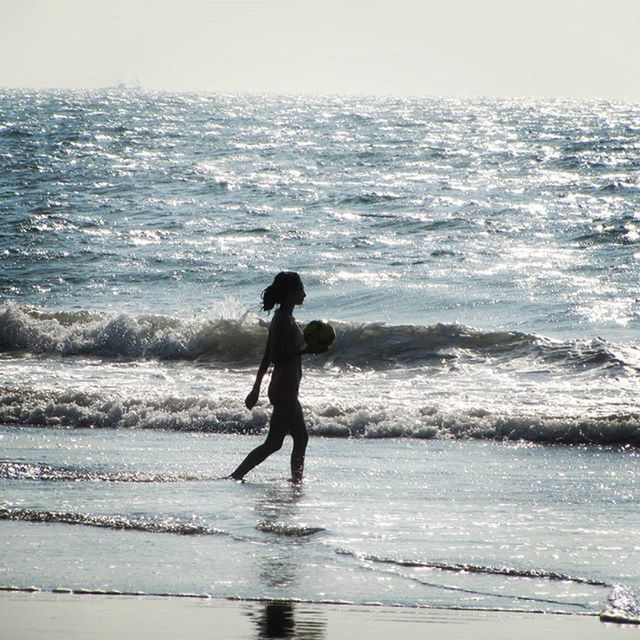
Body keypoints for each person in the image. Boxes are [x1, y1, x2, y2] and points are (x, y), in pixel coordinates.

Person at [230, 272, 322, 483]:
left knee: (301, 438)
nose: (305, 294)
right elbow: (275, 357)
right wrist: (305, 352)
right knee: (274, 443)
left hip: (286, 388)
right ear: (291, 293)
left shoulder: (285, 318)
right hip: (284, 389)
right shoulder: (282, 321)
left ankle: (296, 479)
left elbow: (265, 358)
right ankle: (236, 475)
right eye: (301, 290)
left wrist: (256, 388)